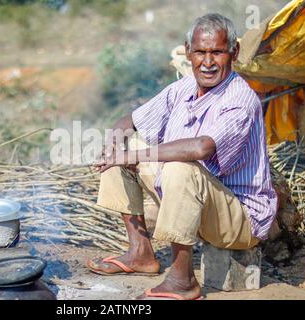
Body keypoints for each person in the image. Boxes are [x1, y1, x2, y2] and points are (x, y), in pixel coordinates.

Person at [87, 13, 278, 300]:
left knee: (178, 164)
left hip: (239, 220)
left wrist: (135, 154)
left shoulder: (240, 99)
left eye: (217, 52)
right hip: (198, 201)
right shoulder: (185, 87)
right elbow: (131, 120)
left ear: (234, 53)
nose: (208, 62)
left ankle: (183, 280)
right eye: (200, 52)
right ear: (188, 51)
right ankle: (140, 252)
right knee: (123, 148)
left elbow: (201, 148)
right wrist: (114, 146)